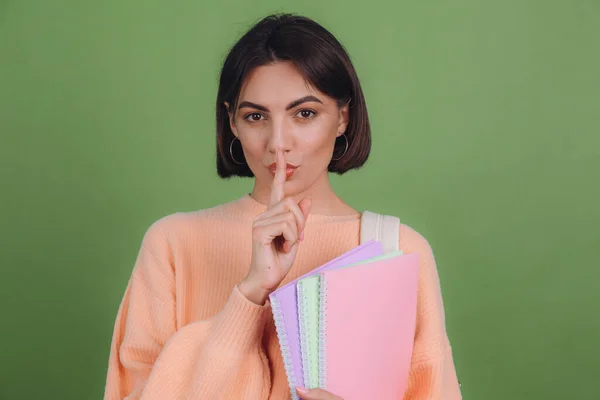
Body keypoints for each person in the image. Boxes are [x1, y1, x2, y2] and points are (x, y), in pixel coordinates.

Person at [103, 13, 461, 400]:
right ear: (233, 123)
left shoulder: (397, 252)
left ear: (343, 117)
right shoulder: (172, 244)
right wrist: (250, 294)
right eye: (256, 116)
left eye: (304, 113)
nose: (278, 143)